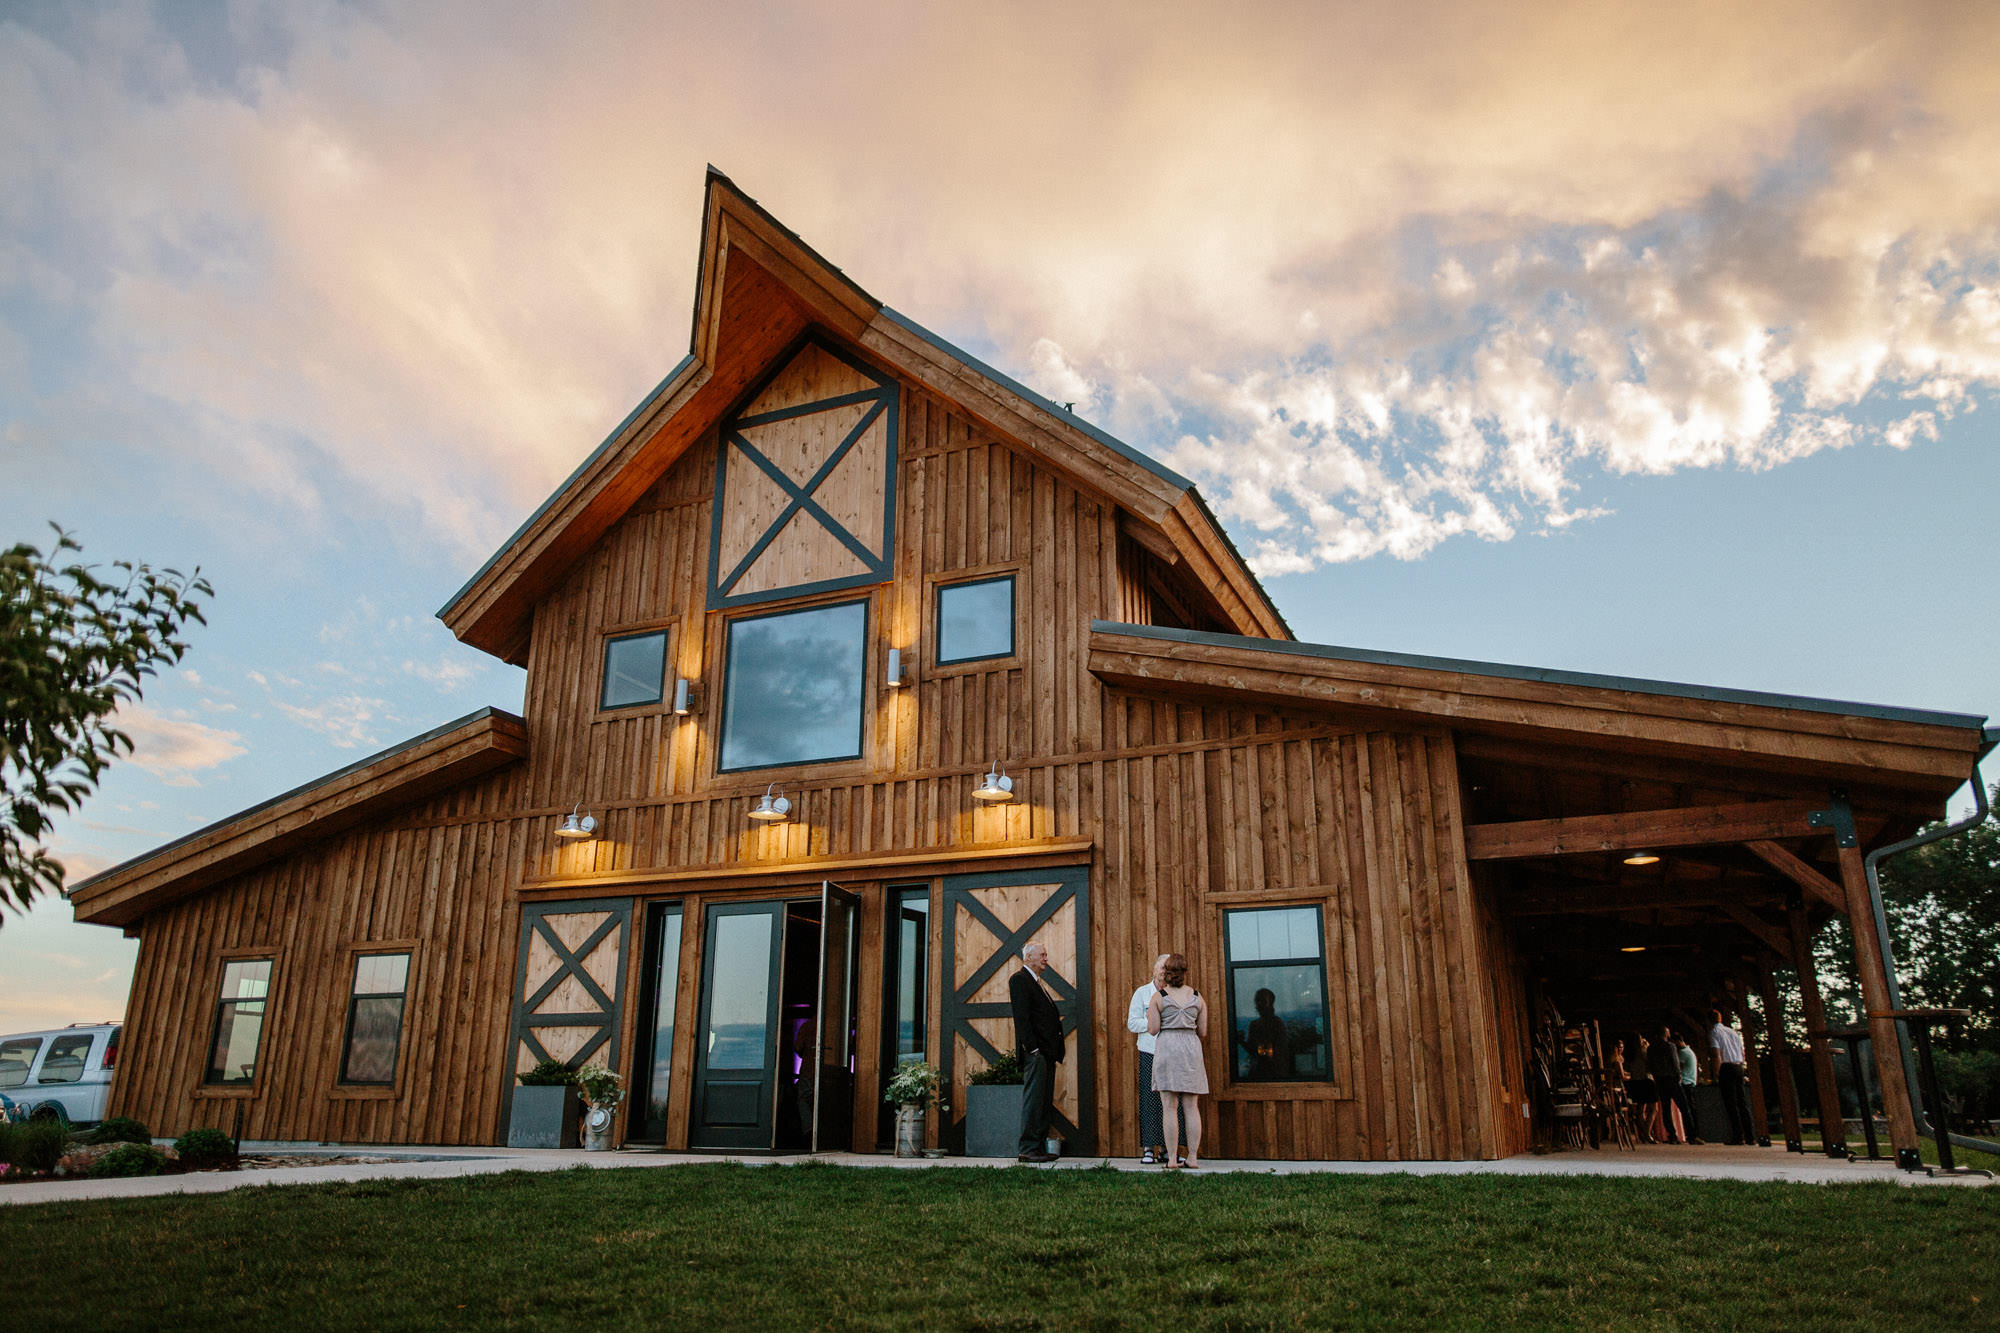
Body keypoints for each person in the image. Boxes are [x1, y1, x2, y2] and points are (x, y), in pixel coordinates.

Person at [1147, 952, 1209, 1169]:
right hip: (1191, 1048)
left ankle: (1172, 1158)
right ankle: (1192, 1157)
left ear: (1166, 973)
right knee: (1192, 1106)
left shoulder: (1159, 997)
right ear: (1185, 972)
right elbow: (1203, 1031)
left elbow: (1153, 1029)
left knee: (1169, 1107)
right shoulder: (1198, 997)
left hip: (1168, 1048)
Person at [1009, 941, 1065, 1163]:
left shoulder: (1038, 983)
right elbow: (1021, 1018)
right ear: (1028, 958)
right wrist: (1032, 1048)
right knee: (1034, 1100)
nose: (1045, 958)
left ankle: (1038, 1147)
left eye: (1046, 954)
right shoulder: (1020, 980)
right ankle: (1028, 1148)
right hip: (1036, 1053)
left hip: (1047, 1053)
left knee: (1043, 1101)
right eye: (1042, 955)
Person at [1126, 954, 1175, 1164]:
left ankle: (1167, 1148)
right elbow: (1132, 1023)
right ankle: (1148, 1148)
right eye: (1161, 968)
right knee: (1149, 1100)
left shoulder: (1175, 994)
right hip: (1149, 1052)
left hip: (1172, 1054)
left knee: (1171, 1102)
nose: (1164, 972)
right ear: (1154, 970)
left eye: (1168, 969)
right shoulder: (1142, 993)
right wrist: (1153, 1023)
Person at [1709, 1008, 1756, 1145]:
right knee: (1742, 1102)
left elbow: (1716, 1054)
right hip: (1738, 1066)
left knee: (1731, 1103)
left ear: (1709, 1021)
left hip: (1726, 1067)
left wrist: (1717, 1073)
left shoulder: (1714, 1033)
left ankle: (1738, 1136)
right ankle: (1750, 1136)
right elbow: (1742, 1051)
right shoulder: (1733, 1032)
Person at [1649, 1025, 1688, 1144]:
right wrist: (1678, 1076)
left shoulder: (1651, 1048)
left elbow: (1651, 1065)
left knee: (1666, 1109)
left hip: (1660, 1080)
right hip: (1672, 1079)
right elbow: (1675, 1063)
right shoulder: (1670, 1046)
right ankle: (1691, 1133)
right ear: (1665, 1034)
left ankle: (1672, 1135)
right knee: (1684, 1107)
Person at [1239, 988, 1287, 1081]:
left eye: (1263, 1001)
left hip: (1273, 1072)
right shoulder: (1255, 1025)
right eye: (1257, 1001)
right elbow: (1253, 1050)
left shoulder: (1276, 1023)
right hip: (1259, 1072)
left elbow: (1278, 1050)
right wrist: (1242, 1041)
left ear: (1270, 1003)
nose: (1259, 1005)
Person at [1674, 1033, 1703, 1144]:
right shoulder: (1690, 1051)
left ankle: (1693, 1134)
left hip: (1686, 1082)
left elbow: (1677, 1067)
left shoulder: (1682, 1053)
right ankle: (1695, 1134)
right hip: (1691, 1082)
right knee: (1691, 1108)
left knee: (1688, 1109)